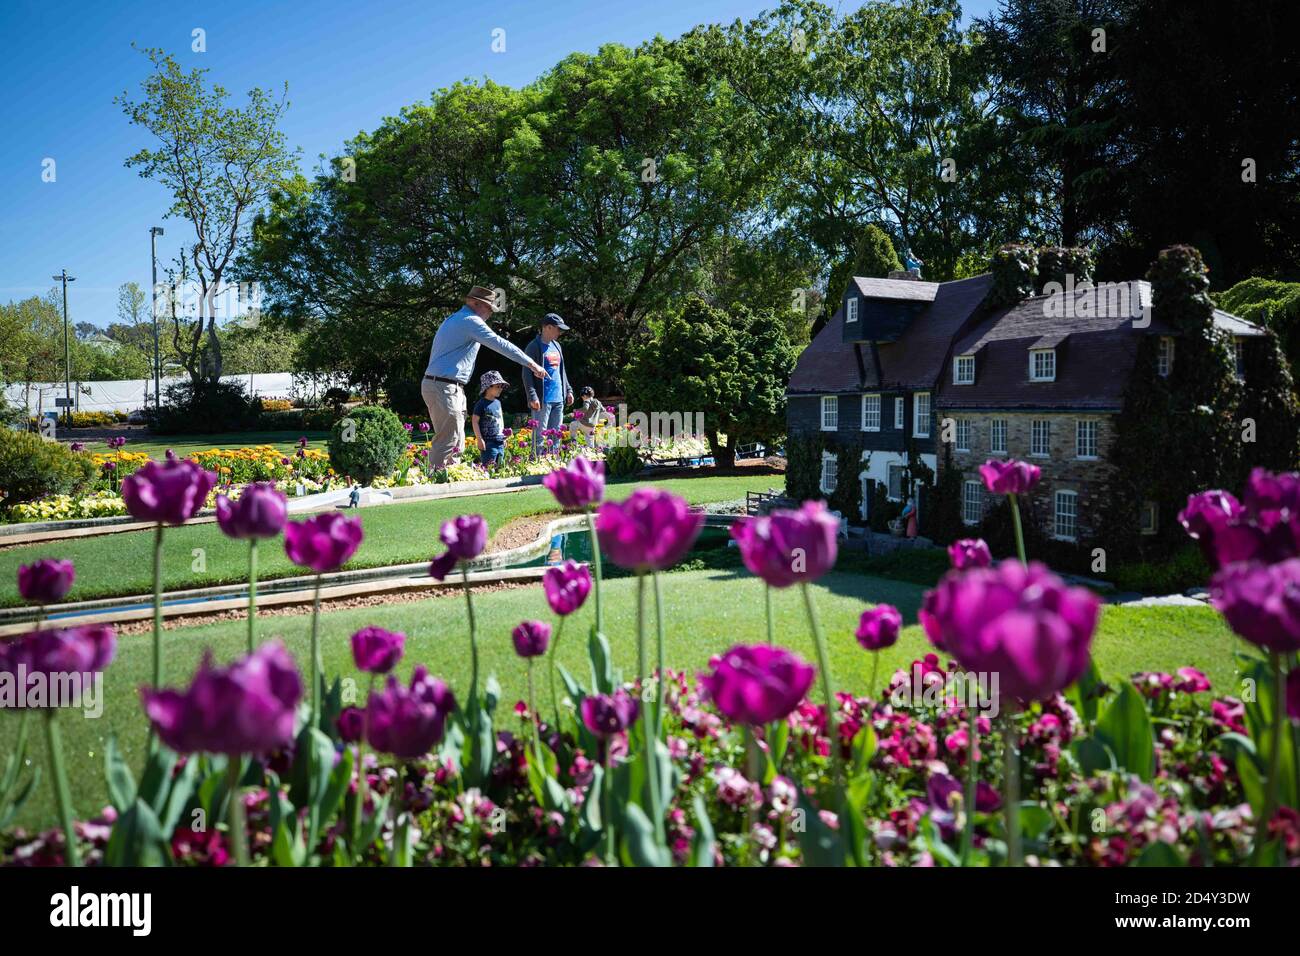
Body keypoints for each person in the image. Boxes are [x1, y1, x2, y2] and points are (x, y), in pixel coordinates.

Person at [422, 286, 545, 470]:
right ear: (475, 303)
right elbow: (500, 344)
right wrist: (531, 363)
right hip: (445, 386)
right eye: (488, 308)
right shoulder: (470, 321)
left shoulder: (455, 319)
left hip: (445, 385)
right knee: (449, 439)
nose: (490, 314)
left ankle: (451, 480)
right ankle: (435, 483)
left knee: (456, 440)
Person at [521, 313, 573, 458]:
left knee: (556, 434)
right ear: (547, 327)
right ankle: (536, 464)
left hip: (558, 399)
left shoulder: (557, 346)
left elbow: (562, 371)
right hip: (542, 400)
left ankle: (553, 462)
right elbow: (526, 374)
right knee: (540, 435)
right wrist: (532, 396)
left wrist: (568, 390)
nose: (560, 332)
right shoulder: (533, 346)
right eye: (558, 329)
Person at [471, 370, 509, 469]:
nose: (500, 389)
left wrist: (504, 437)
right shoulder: (481, 404)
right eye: (497, 386)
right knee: (489, 468)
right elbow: (475, 421)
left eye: (501, 386)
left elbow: (500, 421)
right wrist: (479, 439)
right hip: (488, 443)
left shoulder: (498, 403)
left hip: (500, 441)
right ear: (488, 387)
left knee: (500, 467)